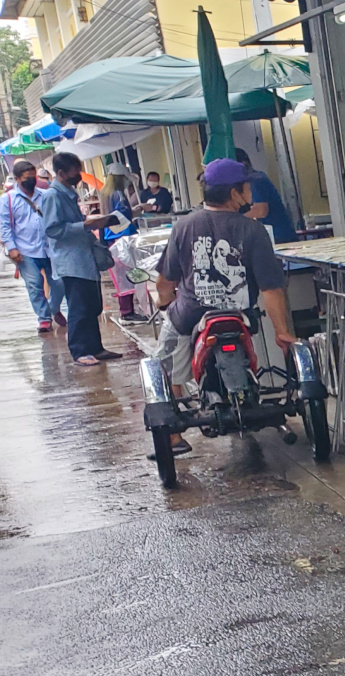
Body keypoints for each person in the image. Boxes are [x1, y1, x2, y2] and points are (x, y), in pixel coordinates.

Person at [151, 159, 296, 457]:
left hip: (191, 315)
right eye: (246, 187)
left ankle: (174, 435)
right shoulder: (253, 231)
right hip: (240, 316)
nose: (249, 192)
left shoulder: (184, 226)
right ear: (234, 194)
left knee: (163, 366)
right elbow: (271, 288)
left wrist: (164, 301)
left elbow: (166, 281)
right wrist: (282, 333)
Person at [40, 152, 121, 366]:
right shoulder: (52, 196)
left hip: (84, 258)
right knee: (79, 307)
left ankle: (96, 347)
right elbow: (52, 229)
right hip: (70, 261)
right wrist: (84, 225)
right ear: (61, 173)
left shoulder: (69, 192)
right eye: (75, 172)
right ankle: (79, 351)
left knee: (92, 305)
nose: (78, 176)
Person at [1, 160, 66, 332]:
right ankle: (44, 319)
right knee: (35, 285)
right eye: (26, 178)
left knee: (59, 283)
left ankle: (54, 308)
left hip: (50, 247)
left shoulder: (45, 195)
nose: (31, 180)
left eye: (33, 177)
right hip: (25, 250)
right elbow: (5, 225)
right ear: (16, 179)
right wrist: (11, 247)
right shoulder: (7, 200)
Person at [101, 162, 150, 323]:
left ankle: (128, 309)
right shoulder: (117, 194)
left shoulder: (107, 194)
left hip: (114, 238)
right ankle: (127, 312)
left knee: (125, 275)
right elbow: (121, 216)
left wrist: (135, 210)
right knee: (127, 275)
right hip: (121, 239)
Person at [235, 148, 299, 244]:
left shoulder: (256, 180)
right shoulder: (251, 180)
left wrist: (234, 220)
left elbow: (261, 211)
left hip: (280, 238)